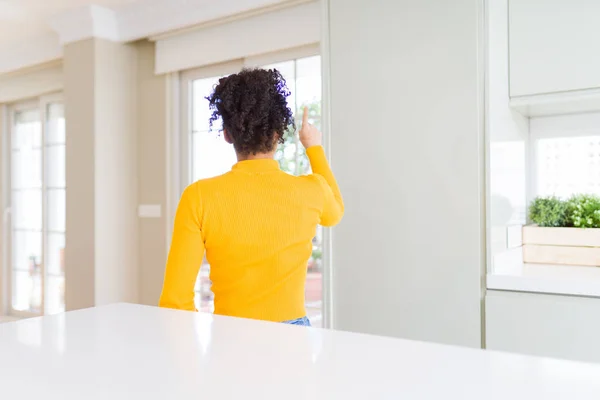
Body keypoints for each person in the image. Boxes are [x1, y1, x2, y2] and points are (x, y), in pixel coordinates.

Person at [159, 68, 344, 326]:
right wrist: (314, 147)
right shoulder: (312, 190)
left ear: (227, 134)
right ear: (278, 133)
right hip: (293, 339)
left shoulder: (198, 197)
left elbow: (174, 301)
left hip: (229, 336)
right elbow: (336, 210)